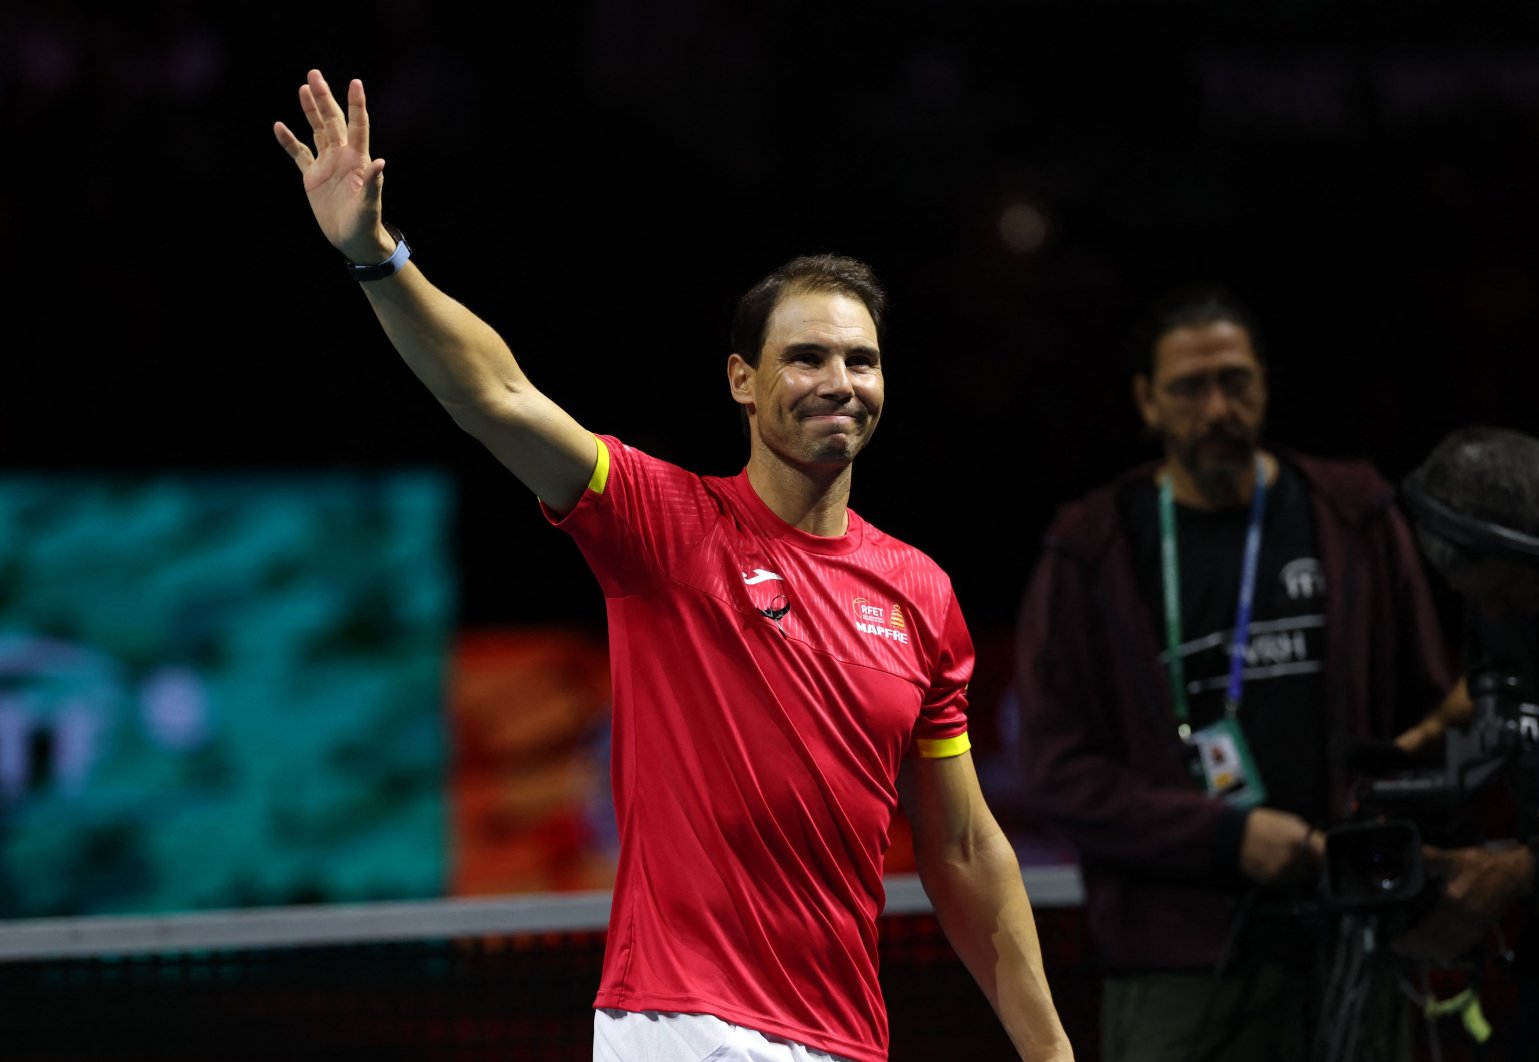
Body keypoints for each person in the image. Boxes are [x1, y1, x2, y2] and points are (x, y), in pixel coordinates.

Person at [272, 69, 1074, 1062]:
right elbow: (499, 394)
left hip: (845, 1040)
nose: (840, 383)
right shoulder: (665, 525)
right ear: (743, 380)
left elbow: (960, 849)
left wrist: (1049, 1053)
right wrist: (376, 259)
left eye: (860, 362)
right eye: (807, 357)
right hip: (682, 1025)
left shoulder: (919, 595)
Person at [1011, 283, 1457, 1061]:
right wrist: (1224, 836)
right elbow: (1057, 771)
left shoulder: (1354, 514)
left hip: (1356, 931)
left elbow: (1434, 710)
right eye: (1189, 388)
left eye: (1235, 382)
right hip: (1179, 961)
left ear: (1263, 386)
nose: (1218, 409)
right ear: (1147, 402)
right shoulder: (1092, 549)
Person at [1388, 425, 1539, 1061]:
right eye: (1481, 603)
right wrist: (1415, 744)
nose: (1496, 615)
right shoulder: (1505, 593)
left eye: (1506, 594)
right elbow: (1492, 681)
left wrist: (1520, 871)